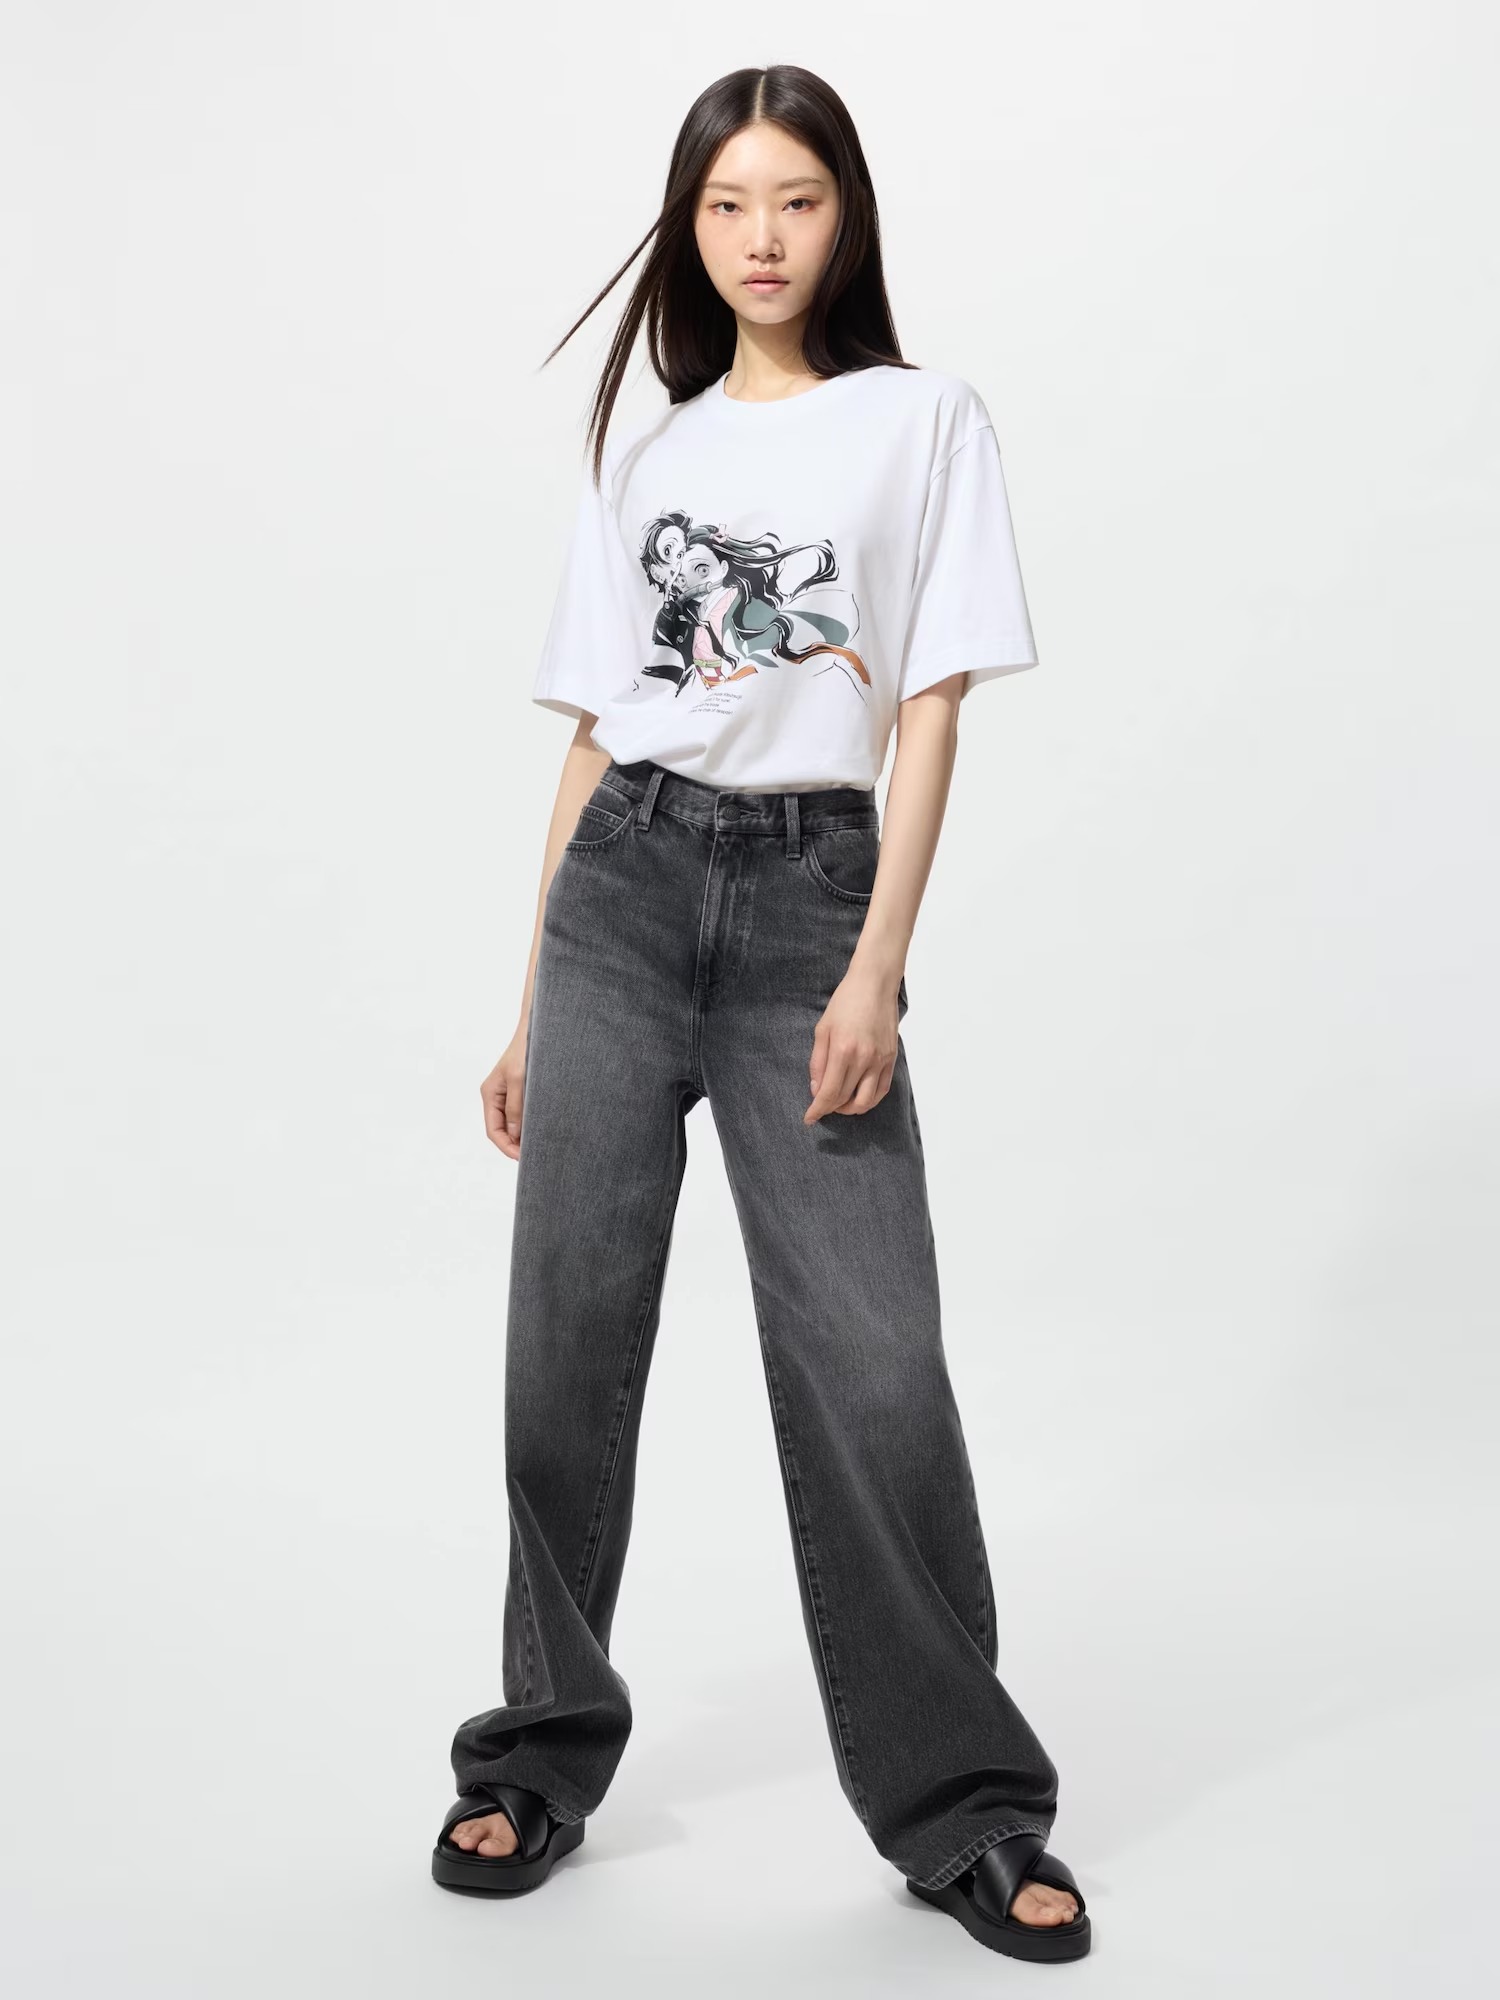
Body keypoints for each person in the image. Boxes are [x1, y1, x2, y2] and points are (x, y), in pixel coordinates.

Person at [429, 63, 1092, 1966]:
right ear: (690, 228)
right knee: (566, 1342)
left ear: (845, 215)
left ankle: (965, 1805)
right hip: (621, 896)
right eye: (727, 206)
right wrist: (531, 1004)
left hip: (812, 897)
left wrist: (876, 960)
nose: (763, 238)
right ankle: (538, 1753)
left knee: (876, 1363)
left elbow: (931, 708)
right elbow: (595, 736)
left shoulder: (925, 420)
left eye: (796, 199)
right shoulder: (652, 453)